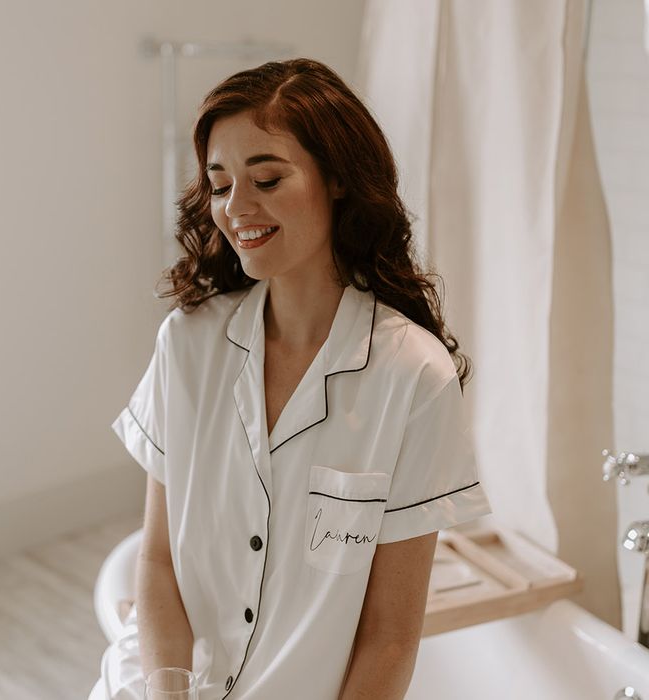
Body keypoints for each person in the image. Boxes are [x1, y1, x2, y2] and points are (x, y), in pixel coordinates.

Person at [101, 57, 492, 700]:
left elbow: (390, 636)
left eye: (267, 178)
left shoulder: (413, 377)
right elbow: (159, 560)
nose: (236, 208)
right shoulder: (189, 343)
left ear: (336, 179)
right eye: (220, 184)